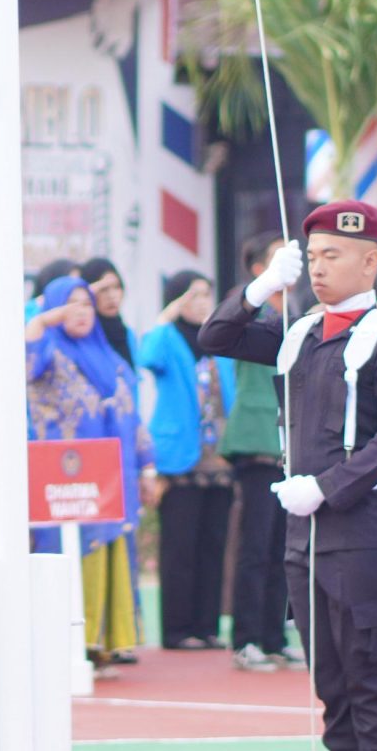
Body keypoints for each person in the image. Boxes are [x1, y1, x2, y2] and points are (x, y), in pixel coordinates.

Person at [200, 199, 377, 751]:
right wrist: (261, 288)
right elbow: (215, 336)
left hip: (366, 527)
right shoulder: (299, 331)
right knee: (328, 675)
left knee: (368, 671)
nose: (320, 268)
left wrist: (326, 487)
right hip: (309, 533)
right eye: (313, 256)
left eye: (334, 256)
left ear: (369, 260)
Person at [27, 275, 153, 673]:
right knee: (63, 552)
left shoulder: (110, 358)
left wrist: (147, 465)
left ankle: (101, 644)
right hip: (60, 479)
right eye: (71, 304)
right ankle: (60, 643)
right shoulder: (45, 352)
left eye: (86, 304)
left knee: (108, 549)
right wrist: (43, 322)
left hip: (111, 478)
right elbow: (22, 364)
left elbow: (132, 413)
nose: (80, 312)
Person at [208, 236, 299, 671]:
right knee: (255, 545)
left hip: (289, 442)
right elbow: (222, 327)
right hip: (256, 438)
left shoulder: (293, 311)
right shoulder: (251, 306)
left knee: (284, 547)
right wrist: (266, 285)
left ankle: (273, 635)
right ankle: (246, 639)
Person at [141, 271, 236, 649]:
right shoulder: (167, 339)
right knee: (180, 546)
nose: (201, 302)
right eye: (193, 295)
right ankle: (177, 629)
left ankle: (206, 626)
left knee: (213, 545)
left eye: (206, 295)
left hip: (220, 459)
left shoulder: (217, 341)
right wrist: (166, 317)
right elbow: (146, 356)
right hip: (180, 459)